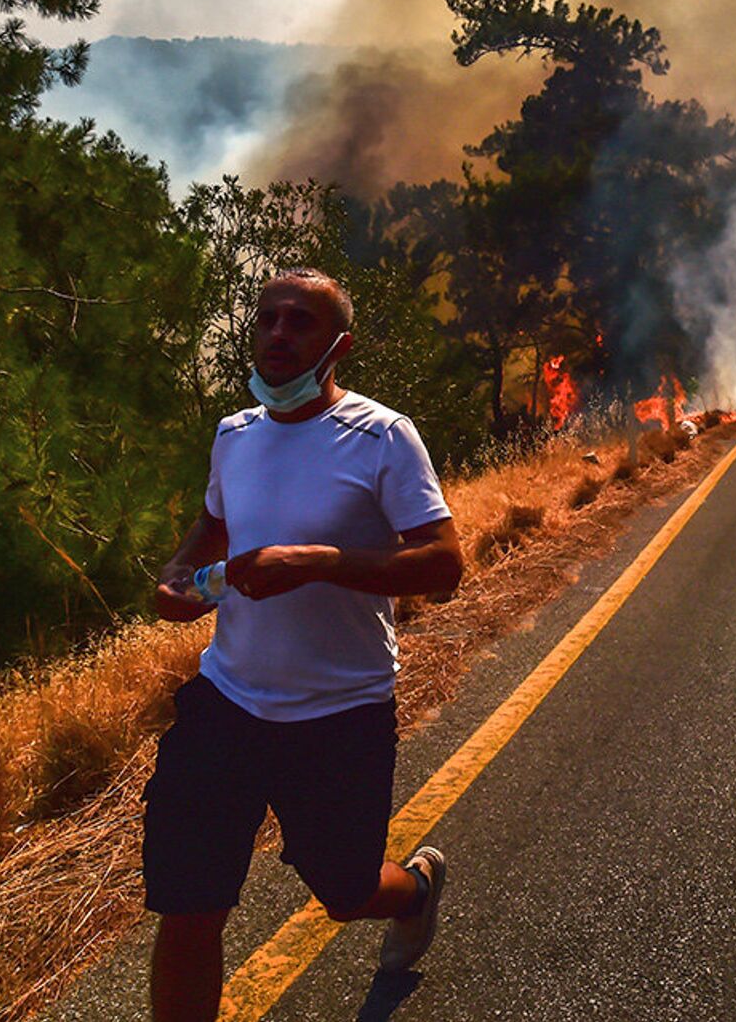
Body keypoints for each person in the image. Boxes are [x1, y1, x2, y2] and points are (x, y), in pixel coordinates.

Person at [143, 267, 465, 1022]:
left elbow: (445, 567)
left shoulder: (383, 437)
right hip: (226, 703)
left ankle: (414, 889)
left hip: (340, 714)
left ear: (338, 346)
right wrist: (179, 575)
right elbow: (211, 530)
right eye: (268, 319)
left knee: (346, 892)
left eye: (301, 322)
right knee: (190, 906)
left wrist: (318, 562)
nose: (279, 334)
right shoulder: (234, 435)